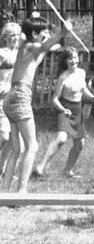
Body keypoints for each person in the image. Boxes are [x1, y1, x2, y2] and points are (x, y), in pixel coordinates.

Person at [1, 15, 71, 193]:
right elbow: (45, 46)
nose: (48, 34)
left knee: (18, 149)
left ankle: (4, 191)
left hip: (11, 98)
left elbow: (43, 50)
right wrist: (63, 31)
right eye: (45, 32)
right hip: (20, 97)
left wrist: (48, 36)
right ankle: (21, 191)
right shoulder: (31, 46)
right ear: (34, 33)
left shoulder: (26, 48)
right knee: (32, 146)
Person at [32, 48, 94, 178]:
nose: (73, 60)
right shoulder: (62, 78)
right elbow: (54, 99)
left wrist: (92, 97)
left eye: (75, 57)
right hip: (65, 109)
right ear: (65, 61)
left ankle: (68, 171)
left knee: (80, 143)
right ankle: (39, 168)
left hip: (77, 110)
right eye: (70, 58)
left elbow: (83, 88)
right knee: (61, 139)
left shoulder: (81, 72)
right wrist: (63, 110)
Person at [0, 22, 22, 177]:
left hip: (16, 99)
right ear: (6, 37)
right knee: (4, 136)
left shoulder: (21, 53)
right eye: (12, 35)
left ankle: (3, 168)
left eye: (17, 35)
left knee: (14, 140)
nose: (15, 38)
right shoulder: (1, 53)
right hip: (1, 98)